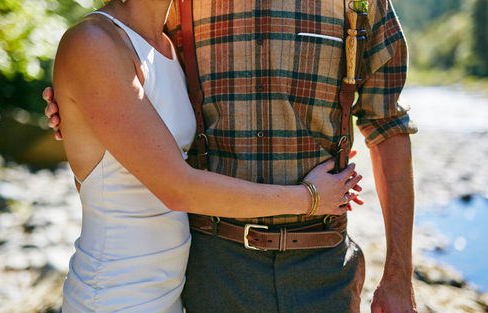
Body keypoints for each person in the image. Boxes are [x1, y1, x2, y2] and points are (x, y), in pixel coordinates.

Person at [45, 0, 418, 312]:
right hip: (183, 279)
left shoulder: (162, 40)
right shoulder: (158, 20)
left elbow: (388, 124)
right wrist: (312, 197)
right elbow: (173, 183)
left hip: (313, 269)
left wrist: (400, 276)